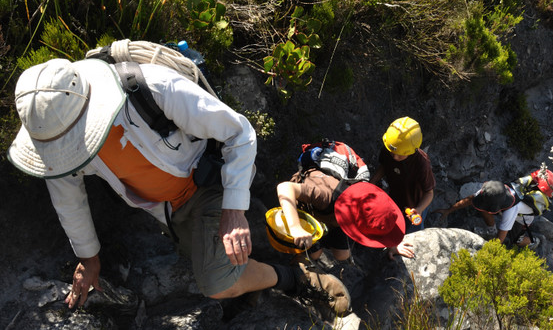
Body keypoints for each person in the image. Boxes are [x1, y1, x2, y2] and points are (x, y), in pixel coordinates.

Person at [7, 57, 350, 315]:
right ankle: (251, 277)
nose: (67, 152)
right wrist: (88, 258)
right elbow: (67, 196)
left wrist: (233, 209)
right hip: (169, 209)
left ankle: (300, 281)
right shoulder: (55, 129)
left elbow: (239, 133)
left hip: (208, 184)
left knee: (216, 282)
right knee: (223, 264)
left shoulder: (153, 88)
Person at [276, 169, 414, 262]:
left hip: (335, 218)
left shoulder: (363, 204)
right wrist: (295, 227)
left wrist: (392, 244)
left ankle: (324, 236)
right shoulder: (326, 197)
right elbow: (284, 187)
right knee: (314, 253)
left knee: (342, 255)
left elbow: (380, 218)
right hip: (310, 210)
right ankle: (296, 263)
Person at [434, 171, 553, 249]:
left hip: (521, 218)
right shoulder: (492, 190)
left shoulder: (510, 211)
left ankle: (535, 241)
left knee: (516, 241)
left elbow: (499, 241)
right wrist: (448, 210)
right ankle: (491, 231)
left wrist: (485, 254)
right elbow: (470, 200)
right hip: (511, 205)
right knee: (482, 207)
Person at [371, 117, 435, 236]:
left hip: (415, 206)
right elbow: (385, 166)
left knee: (411, 236)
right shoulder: (390, 148)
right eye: (392, 153)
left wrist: (420, 209)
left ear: (412, 150)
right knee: (392, 230)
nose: (395, 157)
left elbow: (429, 193)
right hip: (395, 199)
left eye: (400, 155)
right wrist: (373, 181)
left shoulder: (421, 163)